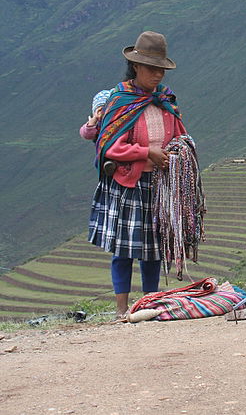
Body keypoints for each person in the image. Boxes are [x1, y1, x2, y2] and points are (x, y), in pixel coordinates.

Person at [88, 31, 186, 318]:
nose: (157, 75)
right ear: (136, 67)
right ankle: (121, 309)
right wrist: (147, 153)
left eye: (161, 70)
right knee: (125, 248)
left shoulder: (165, 101)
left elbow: (179, 135)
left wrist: (178, 153)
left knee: (153, 248)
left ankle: (150, 303)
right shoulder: (120, 101)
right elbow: (111, 146)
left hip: (158, 183)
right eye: (151, 69)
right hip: (128, 184)